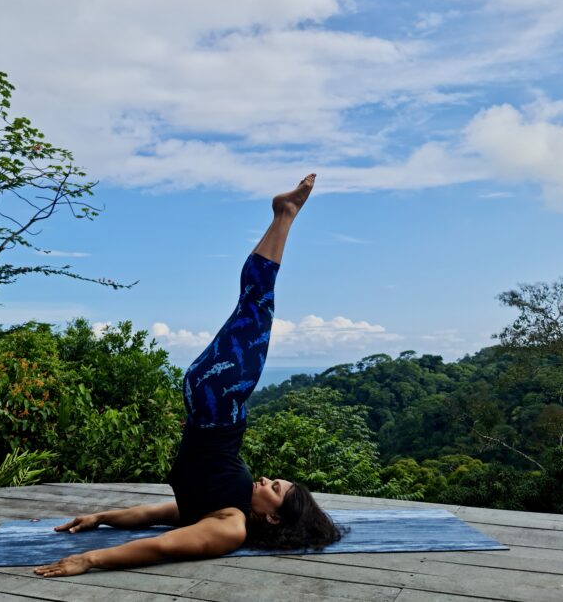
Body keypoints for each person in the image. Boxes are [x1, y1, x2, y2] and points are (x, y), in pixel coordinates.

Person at [34, 173, 340, 578]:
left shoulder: (228, 527)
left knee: (257, 302)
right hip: (216, 399)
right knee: (255, 302)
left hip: (216, 398)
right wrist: (102, 517)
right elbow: (153, 515)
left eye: (275, 489)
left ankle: (285, 213)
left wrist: (88, 559)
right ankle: (285, 213)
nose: (266, 480)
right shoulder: (220, 509)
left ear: (273, 519)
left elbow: (161, 544)